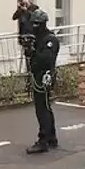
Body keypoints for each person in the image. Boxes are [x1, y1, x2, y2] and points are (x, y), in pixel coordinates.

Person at [24, 9, 60, 154]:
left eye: (36, 24)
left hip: (44, 76)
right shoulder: (38, 38)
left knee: (42, 108)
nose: (34, 27)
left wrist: (33, 53)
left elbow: (47, 59)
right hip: (38, 74)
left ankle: (43, 140)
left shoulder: (50, 39)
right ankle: (51, 137)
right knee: (44, 107)